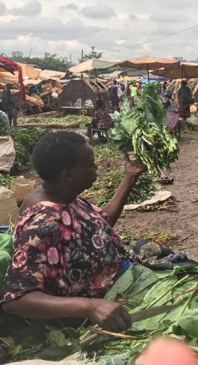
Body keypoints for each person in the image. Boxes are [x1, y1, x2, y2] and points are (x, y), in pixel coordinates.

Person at [0, 131, 147, 332]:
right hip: (95, 311)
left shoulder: (61, 194)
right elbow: (15, 299)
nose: (96, 167)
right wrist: (90, 307)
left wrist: (129, 177)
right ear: (68, 175)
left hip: (120, 274)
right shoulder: (44, 222)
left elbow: (95, 229)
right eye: (90, 163)